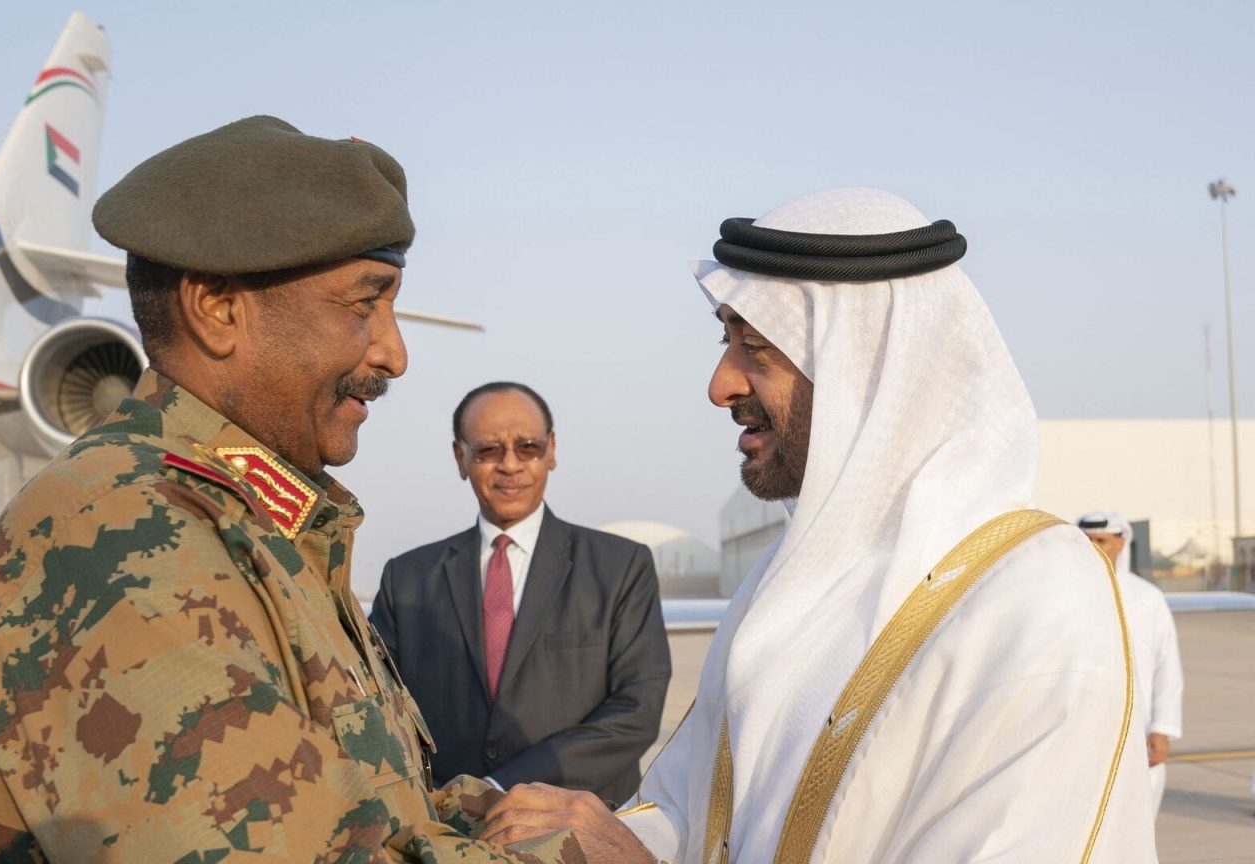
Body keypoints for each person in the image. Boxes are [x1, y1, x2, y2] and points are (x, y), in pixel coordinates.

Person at [0, 116, 608, 862]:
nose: (394, 353)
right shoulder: (122, 532)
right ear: (217, 310)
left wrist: (516, 817)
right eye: (363, 304)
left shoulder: (250, 522)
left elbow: (358, 805)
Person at [479, 188, 1154, 862]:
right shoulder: (783, 581)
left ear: (870, 370)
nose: (720, 385)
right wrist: (588, 833)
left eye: (756, 348)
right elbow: (701, 816)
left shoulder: (1040, 600)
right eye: (725, 340)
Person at [370, 382, 670, 805]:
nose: (510, 465)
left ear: (551, 451)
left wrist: (497, 788)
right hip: (447, 826)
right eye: (488, 450)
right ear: (460, 458)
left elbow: (636, 710)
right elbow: (378, 709)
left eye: (528, 447)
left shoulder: (620, 568)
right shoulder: (407, 580)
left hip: (578, 823)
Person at [1079, 510, 1184, 812]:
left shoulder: (1147, 599)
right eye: (1087, 541)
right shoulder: (1065, 594)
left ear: (1121, 542)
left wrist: (1161, 729)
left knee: (1138, 816)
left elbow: (1167, 667)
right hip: (1083, 730)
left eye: (1101, 541)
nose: (1094, 548)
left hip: (1139, 730)